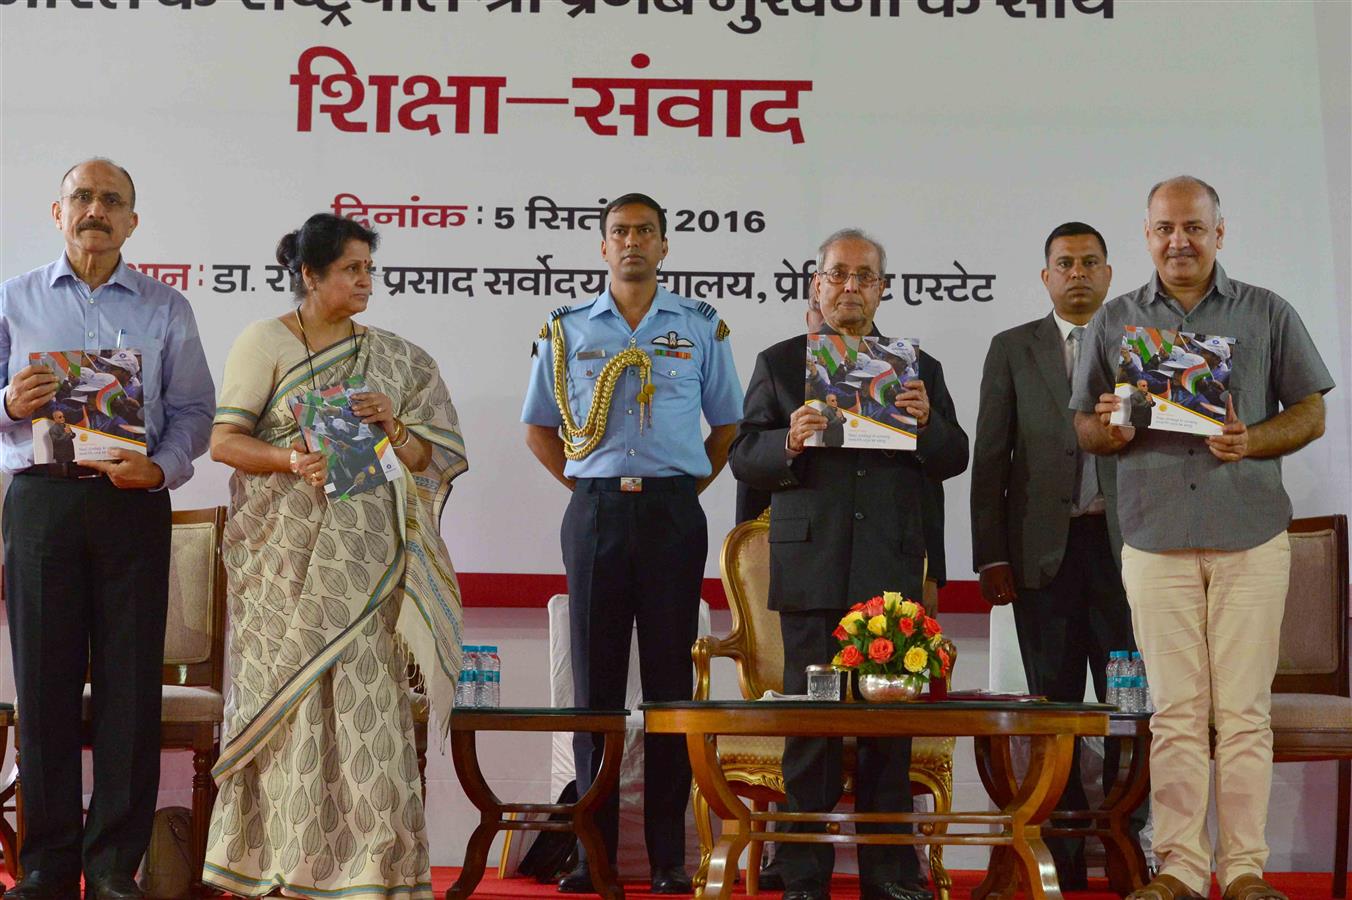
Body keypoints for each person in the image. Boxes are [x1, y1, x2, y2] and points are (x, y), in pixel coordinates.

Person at [1072, 176, 1333, 900]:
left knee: (1243, 712)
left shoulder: (1266, 312)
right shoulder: (1116, 319)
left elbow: (1310, 412)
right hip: (1154, 538)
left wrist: (1254, 439)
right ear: (1147, 235)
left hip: (1249, 535)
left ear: (1221, 232)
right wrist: (1112, 427)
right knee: (1177, 713)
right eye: (1164, 229)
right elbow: (1085, 426)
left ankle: (1245, 870)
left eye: (1192, 227)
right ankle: (1182, 871)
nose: (1178, 241)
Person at [203, 212, 468, 900]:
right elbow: (226, 442)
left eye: (368, 269)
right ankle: (275, 865)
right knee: (290, 713)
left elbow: (430, 463)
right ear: (310, 275)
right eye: (351, 269)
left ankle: (374, 869)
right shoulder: (264, 341)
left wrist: (393, 424)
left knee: (368, 713)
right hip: (282, 564)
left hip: (364, 563)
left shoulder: (396, 359)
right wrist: (293, 460)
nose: (365, 281)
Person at [728, 228, 967, 900]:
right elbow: (744, 455)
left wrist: (927, 426)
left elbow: (954, 457)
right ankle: (802, 873)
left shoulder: (917, 367)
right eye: (838, 275)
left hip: (890, 571)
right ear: (816, 285)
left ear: (884, 289)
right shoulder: (779, 363)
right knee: (813, 729)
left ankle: (891, 875)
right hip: (811, 569)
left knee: (886, 729)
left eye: (865, 276)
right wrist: (789, 441)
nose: (850, 287)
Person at [0, 158, 215, 900]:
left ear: (132, 221)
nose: (96, 209)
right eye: (82, 197)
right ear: (57, 213)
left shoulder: (166, 308)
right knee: (44, 687)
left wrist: (158, 471)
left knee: (130, 690)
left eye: (112, 200)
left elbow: (194, 414)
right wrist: (8, 400)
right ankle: (47, 866)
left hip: (131, 504)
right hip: (41, 503)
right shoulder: (13, 299)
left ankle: (112, 867)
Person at [522, 192, 742, 896]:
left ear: (665, 245)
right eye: (620, 232)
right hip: (595, 517)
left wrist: (678, 491)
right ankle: (593, 857)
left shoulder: (700, 325)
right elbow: (540, 429)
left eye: (646, 231)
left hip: (676, 516)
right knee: (596, 695)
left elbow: (727, 425)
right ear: (602, 246)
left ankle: (670, 862)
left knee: (672, 693)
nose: (633, 243)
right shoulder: (566, 328)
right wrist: (593, 489)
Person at [970, 221, 1135, 889]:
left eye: (1090, 262)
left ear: (1109, 273)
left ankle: (1127, 846)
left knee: (1131, 709)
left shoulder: (1143, 348)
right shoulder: (1013, 348)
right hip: (1043, 557)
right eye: (1065, 263)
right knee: (1055, 713)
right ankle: (1060, 859)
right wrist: (990, 557)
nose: (1078, 273)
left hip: (1130, 556)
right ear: (1046, 277)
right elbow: (991, 459)